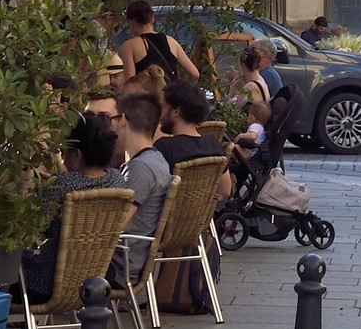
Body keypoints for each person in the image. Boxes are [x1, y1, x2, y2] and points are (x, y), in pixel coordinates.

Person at [21, 110, 128, 299]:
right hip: (95, 280)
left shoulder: (61, 185)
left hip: (44, 283)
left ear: (76, 154)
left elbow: (35, 229)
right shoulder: (117, 181)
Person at [114, 90, 172, 253]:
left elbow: (116, 224)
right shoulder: (156, 159)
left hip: (122, 260)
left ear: (123, 120)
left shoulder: (141, 168)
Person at [117, 0, 200, 84]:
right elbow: (194, 74)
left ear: (131, 22)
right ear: (152, 18)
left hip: (147, 92)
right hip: (171, 91)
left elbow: (130, 83)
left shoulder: (129, 46)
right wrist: (183, 88)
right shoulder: (171, 41)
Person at [153, 78, 228, 169]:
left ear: (176, 112)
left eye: (163, 107)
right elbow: (226, 179)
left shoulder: (165, 148)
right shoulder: (213, 144)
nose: (160, 112)